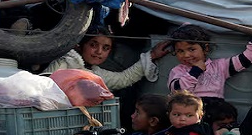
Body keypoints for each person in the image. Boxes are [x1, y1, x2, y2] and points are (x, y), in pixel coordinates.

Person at [44, 30, 173, 91]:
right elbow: (44, 88)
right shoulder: (64, 63)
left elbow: (124, 79)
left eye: (106, 48)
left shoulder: (96, 74)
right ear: (80, 45)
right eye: (93, 45)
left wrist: (152, 55)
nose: (99, 52)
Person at [166, 24, 252, 104]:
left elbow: (247, 59)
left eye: (191, 49)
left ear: (206, 49)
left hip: (216, 108)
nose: (186, 55)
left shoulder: (219, 66)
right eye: (180, 51)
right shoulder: (177, 71)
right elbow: (179, 92)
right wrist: (195, 71)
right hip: (191, 109)